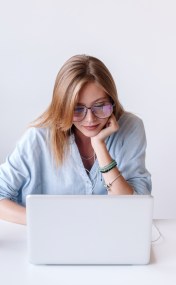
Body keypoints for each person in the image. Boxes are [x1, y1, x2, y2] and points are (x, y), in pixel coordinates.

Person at [0, 54, 151, 225]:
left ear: (112, 101)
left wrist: (99, 146)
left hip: (108, 242)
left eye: (100, 106)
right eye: (77, 109)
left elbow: (135, 209)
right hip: (49, 241)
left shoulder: (130, 128)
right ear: (62, 107)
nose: (90, 119)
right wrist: (46, 222)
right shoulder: (38, 138)